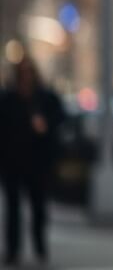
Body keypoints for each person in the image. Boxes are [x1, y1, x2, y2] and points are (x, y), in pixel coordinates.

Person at [0, 56, 65, 266]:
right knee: (12, 209)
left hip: (37, 161)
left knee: (38, 207)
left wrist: (45, 126)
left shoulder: (44, 98)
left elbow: (59, 119)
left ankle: (40, 248)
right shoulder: (9, 98)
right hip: (12, 161)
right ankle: (13, 250)